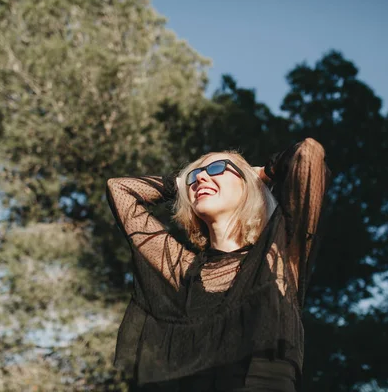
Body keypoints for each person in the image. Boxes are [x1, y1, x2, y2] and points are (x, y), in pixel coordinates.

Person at [106, 138, 330, 391]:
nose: (201, 178)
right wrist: (182, 183)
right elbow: (119, 189)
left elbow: (309, 153)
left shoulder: (279, 254)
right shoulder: (183, 269)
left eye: (216, 169)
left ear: (249, 185)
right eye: (195, 175)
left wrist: (261, 174)